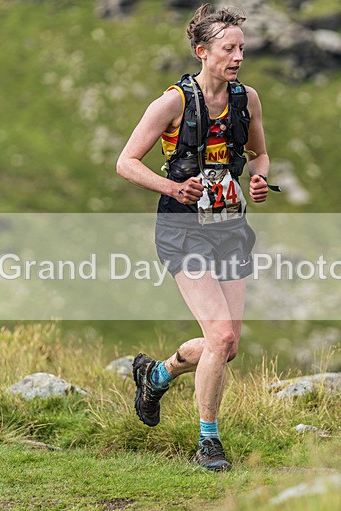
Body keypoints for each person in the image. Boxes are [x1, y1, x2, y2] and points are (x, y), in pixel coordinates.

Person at [115, 3, 270, 472]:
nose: (238, 56)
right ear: (203, 52)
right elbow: (126, 162)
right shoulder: (173, 103)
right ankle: (208, 442)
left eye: (241, 47)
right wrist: (173, 186)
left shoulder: (248, 99)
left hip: (230, 228)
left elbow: (260, 155)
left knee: (227, 346)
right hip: (183, 231)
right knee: (220, 335)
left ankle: (156, 375)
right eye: (228, 48)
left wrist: (259, 180)